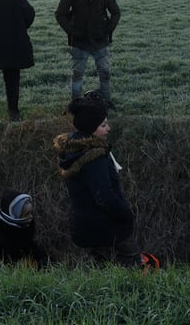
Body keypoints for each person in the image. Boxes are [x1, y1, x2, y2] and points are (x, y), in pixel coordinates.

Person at [54, 96, 147, 267]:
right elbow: (104, 197)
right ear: (91, 128)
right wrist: (126, 214)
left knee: (100, 271)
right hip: (105, 228)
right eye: (103, 125)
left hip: (85, 227)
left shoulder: (73, 152)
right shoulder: (94, 158)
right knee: (133, 267)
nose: (108, 128)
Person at [55, 0, 122, 103]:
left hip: (100, 41)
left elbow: (116, 12)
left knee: (105, 74)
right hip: (80, 42)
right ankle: (76, 105)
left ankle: (107, 103)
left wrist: (108, 29)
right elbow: (60, 14)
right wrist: (72, 31)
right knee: (77, 76)